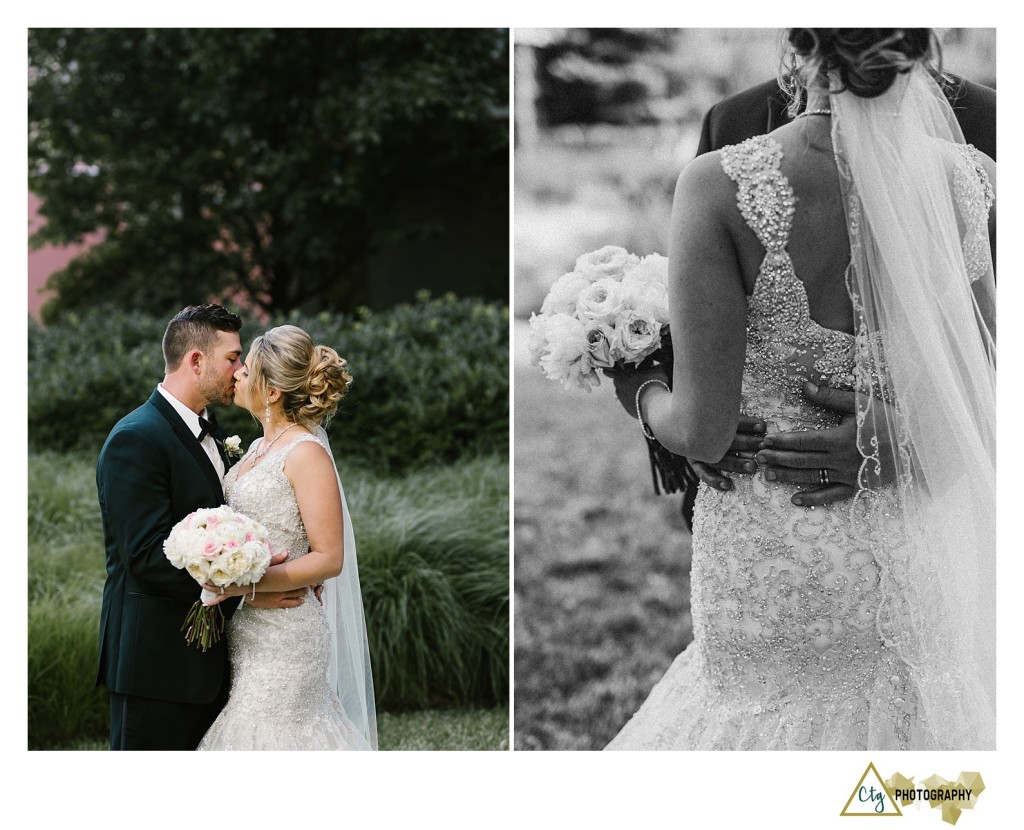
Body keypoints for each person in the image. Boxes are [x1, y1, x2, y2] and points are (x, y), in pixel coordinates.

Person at [605, 29, 995, 750]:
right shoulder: (970, 180)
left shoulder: (719, 182)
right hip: (916, 552)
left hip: (773, 557)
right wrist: (898, 442)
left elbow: (704, 432)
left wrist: (638, 384)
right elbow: (989, 383)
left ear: (798, 47)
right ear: (920, 49)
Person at [660, 54, 996, 521]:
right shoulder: (730, 119)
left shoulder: (995, 123)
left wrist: (643, 387)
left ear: (796, 39)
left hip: (929, 513)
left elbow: (992, 365)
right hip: (765, 512)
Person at [97, 304, 307, 751]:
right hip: (156, 666)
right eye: (233, 358)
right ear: (196, 361)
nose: (241, 370)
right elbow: (146, 556)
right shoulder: (137, 438)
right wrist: (251, 585)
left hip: (219, 663)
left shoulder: (221, 436)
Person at [197, 324, 377, 750]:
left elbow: (329, 557)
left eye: (248, 368)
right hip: (248, 628)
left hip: (288, 633)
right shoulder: (257, 448)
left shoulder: (306, 453)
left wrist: (245, 585)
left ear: (272, 392)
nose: (238, 373)